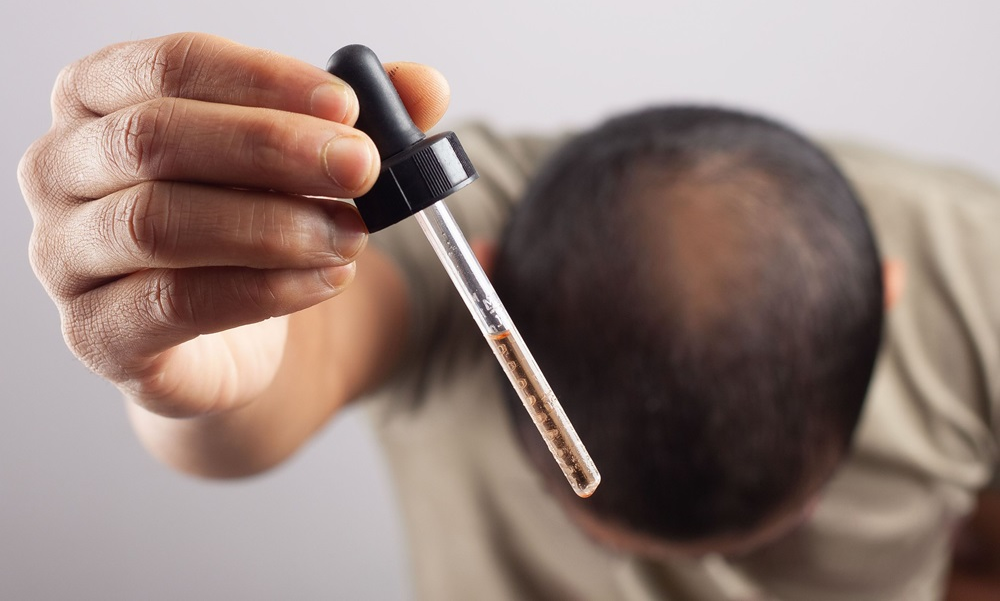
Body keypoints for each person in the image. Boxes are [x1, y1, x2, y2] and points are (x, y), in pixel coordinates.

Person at [17, 32, 1000, 600]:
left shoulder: (986, 279)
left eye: (791, 525)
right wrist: (188, 356)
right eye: (602, 534)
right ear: (482, 277)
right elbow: (269, 381)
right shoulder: (417, 230)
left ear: (890, 297)